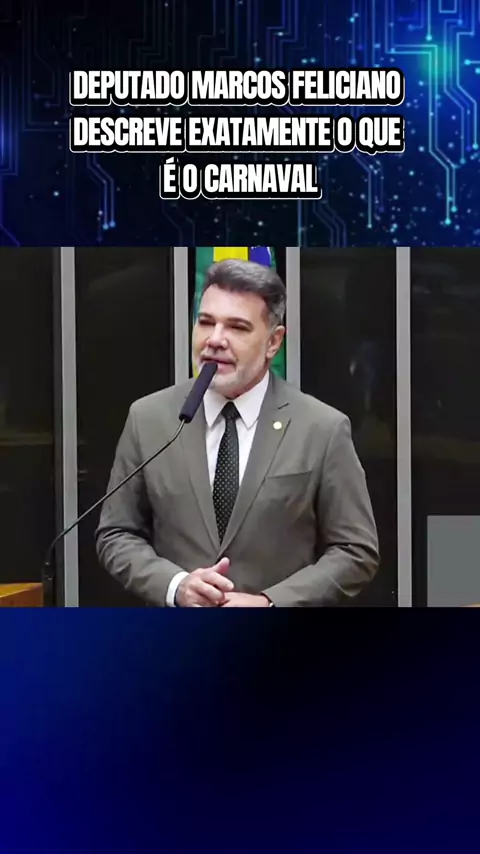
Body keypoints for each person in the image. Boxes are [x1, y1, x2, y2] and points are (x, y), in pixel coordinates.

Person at [96, 259, 379, 607]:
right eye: (205, 322)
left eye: (237, 327)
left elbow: (355, 550)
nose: (215, 340)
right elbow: (116, 533)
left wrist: (270, 602)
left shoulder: (322, 427)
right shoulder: (150, 418)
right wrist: (176, 586)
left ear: (273, 342)